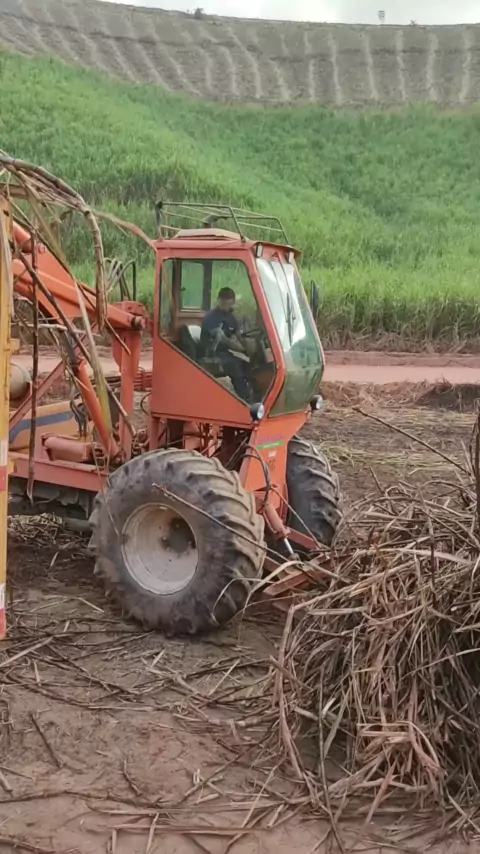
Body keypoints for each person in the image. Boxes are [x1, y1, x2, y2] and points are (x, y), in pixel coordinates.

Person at [200, 287, 252, 402]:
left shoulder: (231, 318)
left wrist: (249, 346)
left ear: (232, 301)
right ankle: (244, 400)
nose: (224, 303)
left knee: (248, 364)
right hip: (211, 354)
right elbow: (223, 340)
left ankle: (251, 394)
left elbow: (240, 335)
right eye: (222, 300)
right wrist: (242, 350)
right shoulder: (211, 317)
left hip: (224, 353)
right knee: (234, 365)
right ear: (218, 300)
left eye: (227, 300)